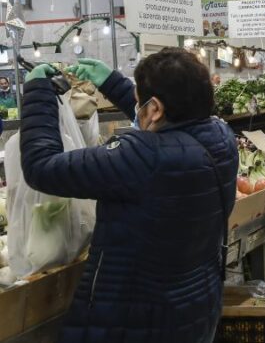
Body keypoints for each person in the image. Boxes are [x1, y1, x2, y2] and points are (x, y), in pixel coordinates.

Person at [21, 49, 237, 343]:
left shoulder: (142, 157)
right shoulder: (221, 138)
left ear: (156, 108)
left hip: (133, 323)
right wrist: (112, 83)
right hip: (195, 310)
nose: (137, 106)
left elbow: (41, 169)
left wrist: (36, 93)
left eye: (139, 100)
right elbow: (164, 127)